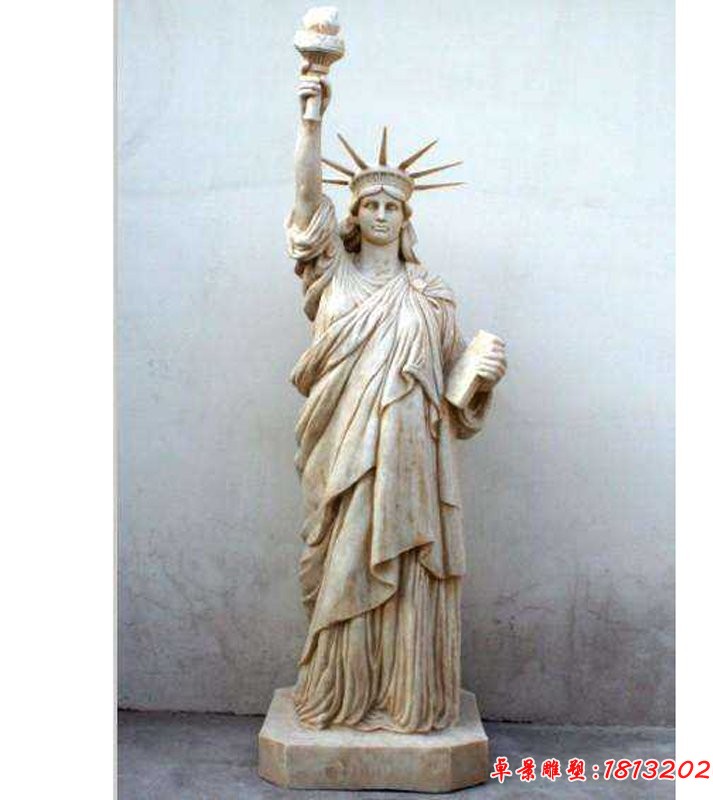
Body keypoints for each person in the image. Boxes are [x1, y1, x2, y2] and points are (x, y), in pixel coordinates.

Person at [286, 74, 507, 733]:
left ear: (407, 221)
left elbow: (453, 389)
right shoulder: (332, 275)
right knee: (342, 561)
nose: (381, 214)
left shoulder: (431, 294)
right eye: (370, 205)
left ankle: (407, 696)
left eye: (393, 207)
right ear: (353, 217)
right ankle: (341, 694)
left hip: (412, 458)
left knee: (408, 566)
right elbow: (305, 203)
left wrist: (481, 375)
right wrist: (311, 122)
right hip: (343, 453)